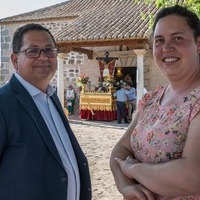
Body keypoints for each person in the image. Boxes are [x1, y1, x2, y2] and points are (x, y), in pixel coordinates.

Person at [110, 5, 200, 199]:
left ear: (198, 44)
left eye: (178, 38)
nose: (166, 47)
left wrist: (133, 169)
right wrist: (126, 187)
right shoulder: (151, 100)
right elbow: (119, 151)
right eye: (159, 40)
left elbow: (192, 176)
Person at [0, 23, 91, 200]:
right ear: (14, 60)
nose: (43, 57)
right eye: (32, 51)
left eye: (49, 50)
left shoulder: (52, 97)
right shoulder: (3, 104)